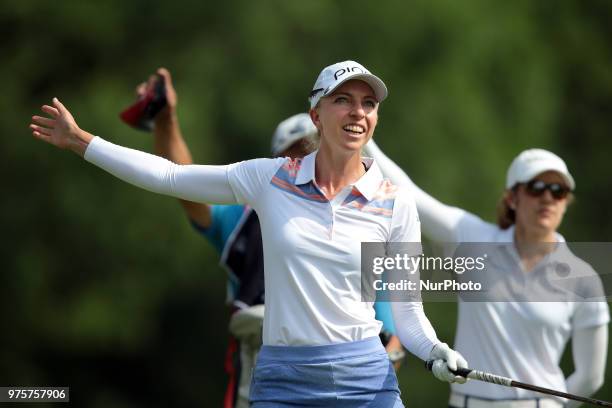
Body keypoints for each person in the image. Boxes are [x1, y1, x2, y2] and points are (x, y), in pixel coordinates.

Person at [30, 60, 468, 407]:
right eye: (344, 100)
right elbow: (170, 177)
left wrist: (434, 351)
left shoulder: (394, 202)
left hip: (366, 380)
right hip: (284, 382)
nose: (358, 112)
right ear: (316, 114)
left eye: (368, 103)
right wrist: (83, 141)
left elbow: (409, 314)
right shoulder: (270, 179)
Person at [134, 68, 406, 407]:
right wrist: (165, 122)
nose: (305, 161)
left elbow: (393, 334)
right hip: (261, 372)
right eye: (293, 154)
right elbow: (182, 182)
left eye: (309, 150)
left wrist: (384, 356)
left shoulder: (365, 219)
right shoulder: (244, 214)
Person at [364, 140, 610, 408]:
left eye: (558, 190)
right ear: (512, 198)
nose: (548, 198)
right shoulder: (473, 238)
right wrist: (363, 142)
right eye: (536, 188)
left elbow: (590, 377)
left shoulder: (584, 279)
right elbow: (407, 192)